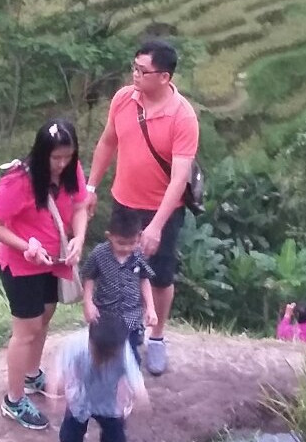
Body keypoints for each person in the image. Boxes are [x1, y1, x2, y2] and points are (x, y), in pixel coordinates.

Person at [86, 39, 199, 376]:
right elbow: (108, 141)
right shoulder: (123, 99)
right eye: (133, 67)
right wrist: (92, 186)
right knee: (118, 267)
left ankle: (157, 337)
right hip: (123, 201)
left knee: (160, 276)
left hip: (161, 210)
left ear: (164, 77)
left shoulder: (183, 117)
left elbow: (179, 179)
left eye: (142, 70)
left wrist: (156, 226)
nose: (134, 75)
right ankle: (119, 332)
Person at [0, 119, 89, 431]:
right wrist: (25, 244)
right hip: (21, 264)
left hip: (53, 260)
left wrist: (78, 239)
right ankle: (14, 400)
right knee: (26, 330)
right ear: (41, 154)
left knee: (44, 318)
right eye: (55, 158)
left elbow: (81, 207)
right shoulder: (18, 181)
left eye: (67, 157)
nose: (61, 164)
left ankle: (31, 376)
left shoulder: (73, 170)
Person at [53, 312, 149, 442]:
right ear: (90, 341)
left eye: (109, 355)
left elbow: (134, 375)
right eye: (100, 353)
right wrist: (57, 390)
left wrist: (140, 396)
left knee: (115, 437)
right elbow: (59, 371)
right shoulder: (76, 344)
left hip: (108, 399)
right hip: (79, 396)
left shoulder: (122, 349)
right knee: (70, 436)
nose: (104, 359)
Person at [81, 208, 157, 365]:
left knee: (131, 356)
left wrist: (150, 307)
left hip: (131, 317)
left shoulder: (139, 254)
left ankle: (130, 384)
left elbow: (144, 279)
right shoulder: (99, 254)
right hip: (104, 317)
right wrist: (88, 303)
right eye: (121, 243)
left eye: (132, 243)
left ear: (139, 236)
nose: (127, 248)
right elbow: (88, 276)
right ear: (109, 236)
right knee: (100, 357)